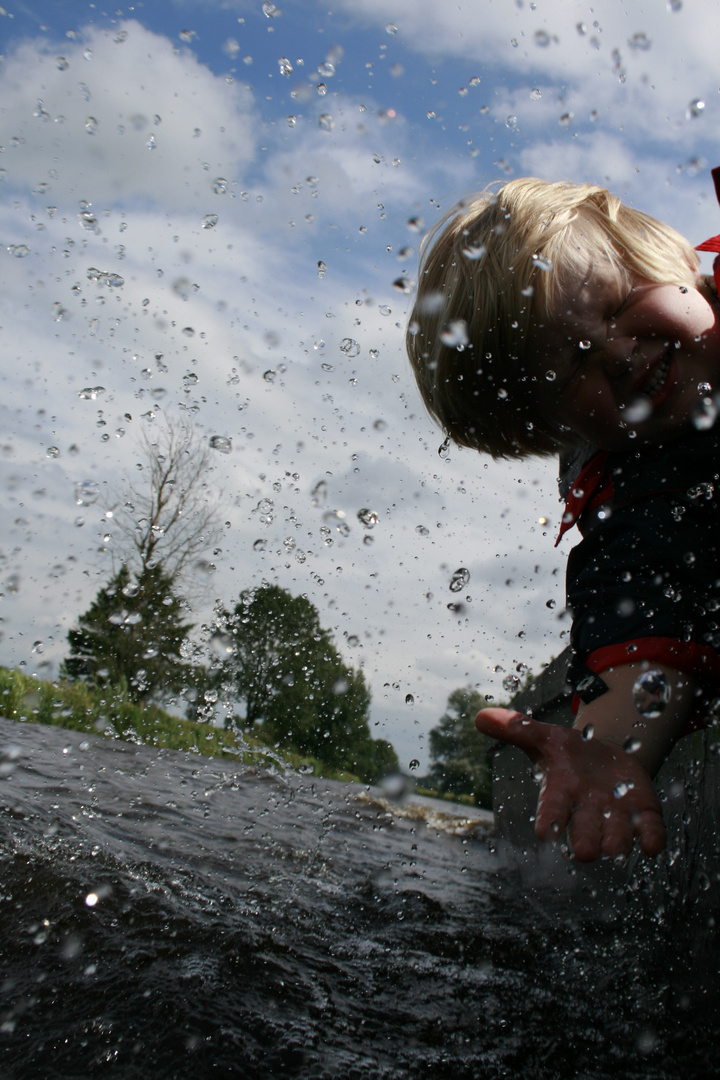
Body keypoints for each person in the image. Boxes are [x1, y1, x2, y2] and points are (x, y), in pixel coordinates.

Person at [406, 173, 720, 862]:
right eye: (574, 367)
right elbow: (643, 623)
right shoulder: (643, 504)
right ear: (557, 430)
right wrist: (607, 750)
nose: (619, 356)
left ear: (664, 257)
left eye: (615, 304)